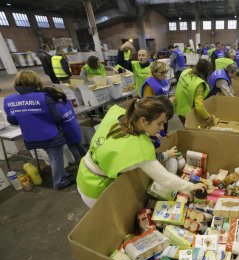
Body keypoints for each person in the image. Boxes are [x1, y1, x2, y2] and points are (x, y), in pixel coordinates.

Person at [76, 97, 206, 208]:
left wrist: (148, 133)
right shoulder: (138, 148)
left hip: (83, 173)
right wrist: (191, 187)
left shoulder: (123, 117)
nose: (162, 129)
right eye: (159, 124)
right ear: (143, 121)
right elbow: (165, 180)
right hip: (94, 189)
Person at [4, 71, 72, 189]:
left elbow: (13, 121)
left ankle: (61, 173)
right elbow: (56, 117)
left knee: (51, 156)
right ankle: (58, 181)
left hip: (31, 136)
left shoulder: (9, 100)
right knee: (55, 156)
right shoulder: (43, 97)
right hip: (50, 134)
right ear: (35, 81)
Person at [42, 87, 87, 164]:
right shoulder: (65, 102)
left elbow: (55, 120)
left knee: (73, 149)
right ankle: (87, 158)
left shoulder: (54, 108)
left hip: (67, 132)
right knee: (79, 145)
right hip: (74, 128)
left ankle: (79, 163)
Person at [174, 59, 213, 125]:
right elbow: (199, 107)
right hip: (188, 113)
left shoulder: (185, 72)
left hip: (178, 107)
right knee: (191, 131)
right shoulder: (199, 84)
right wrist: (208, 118)